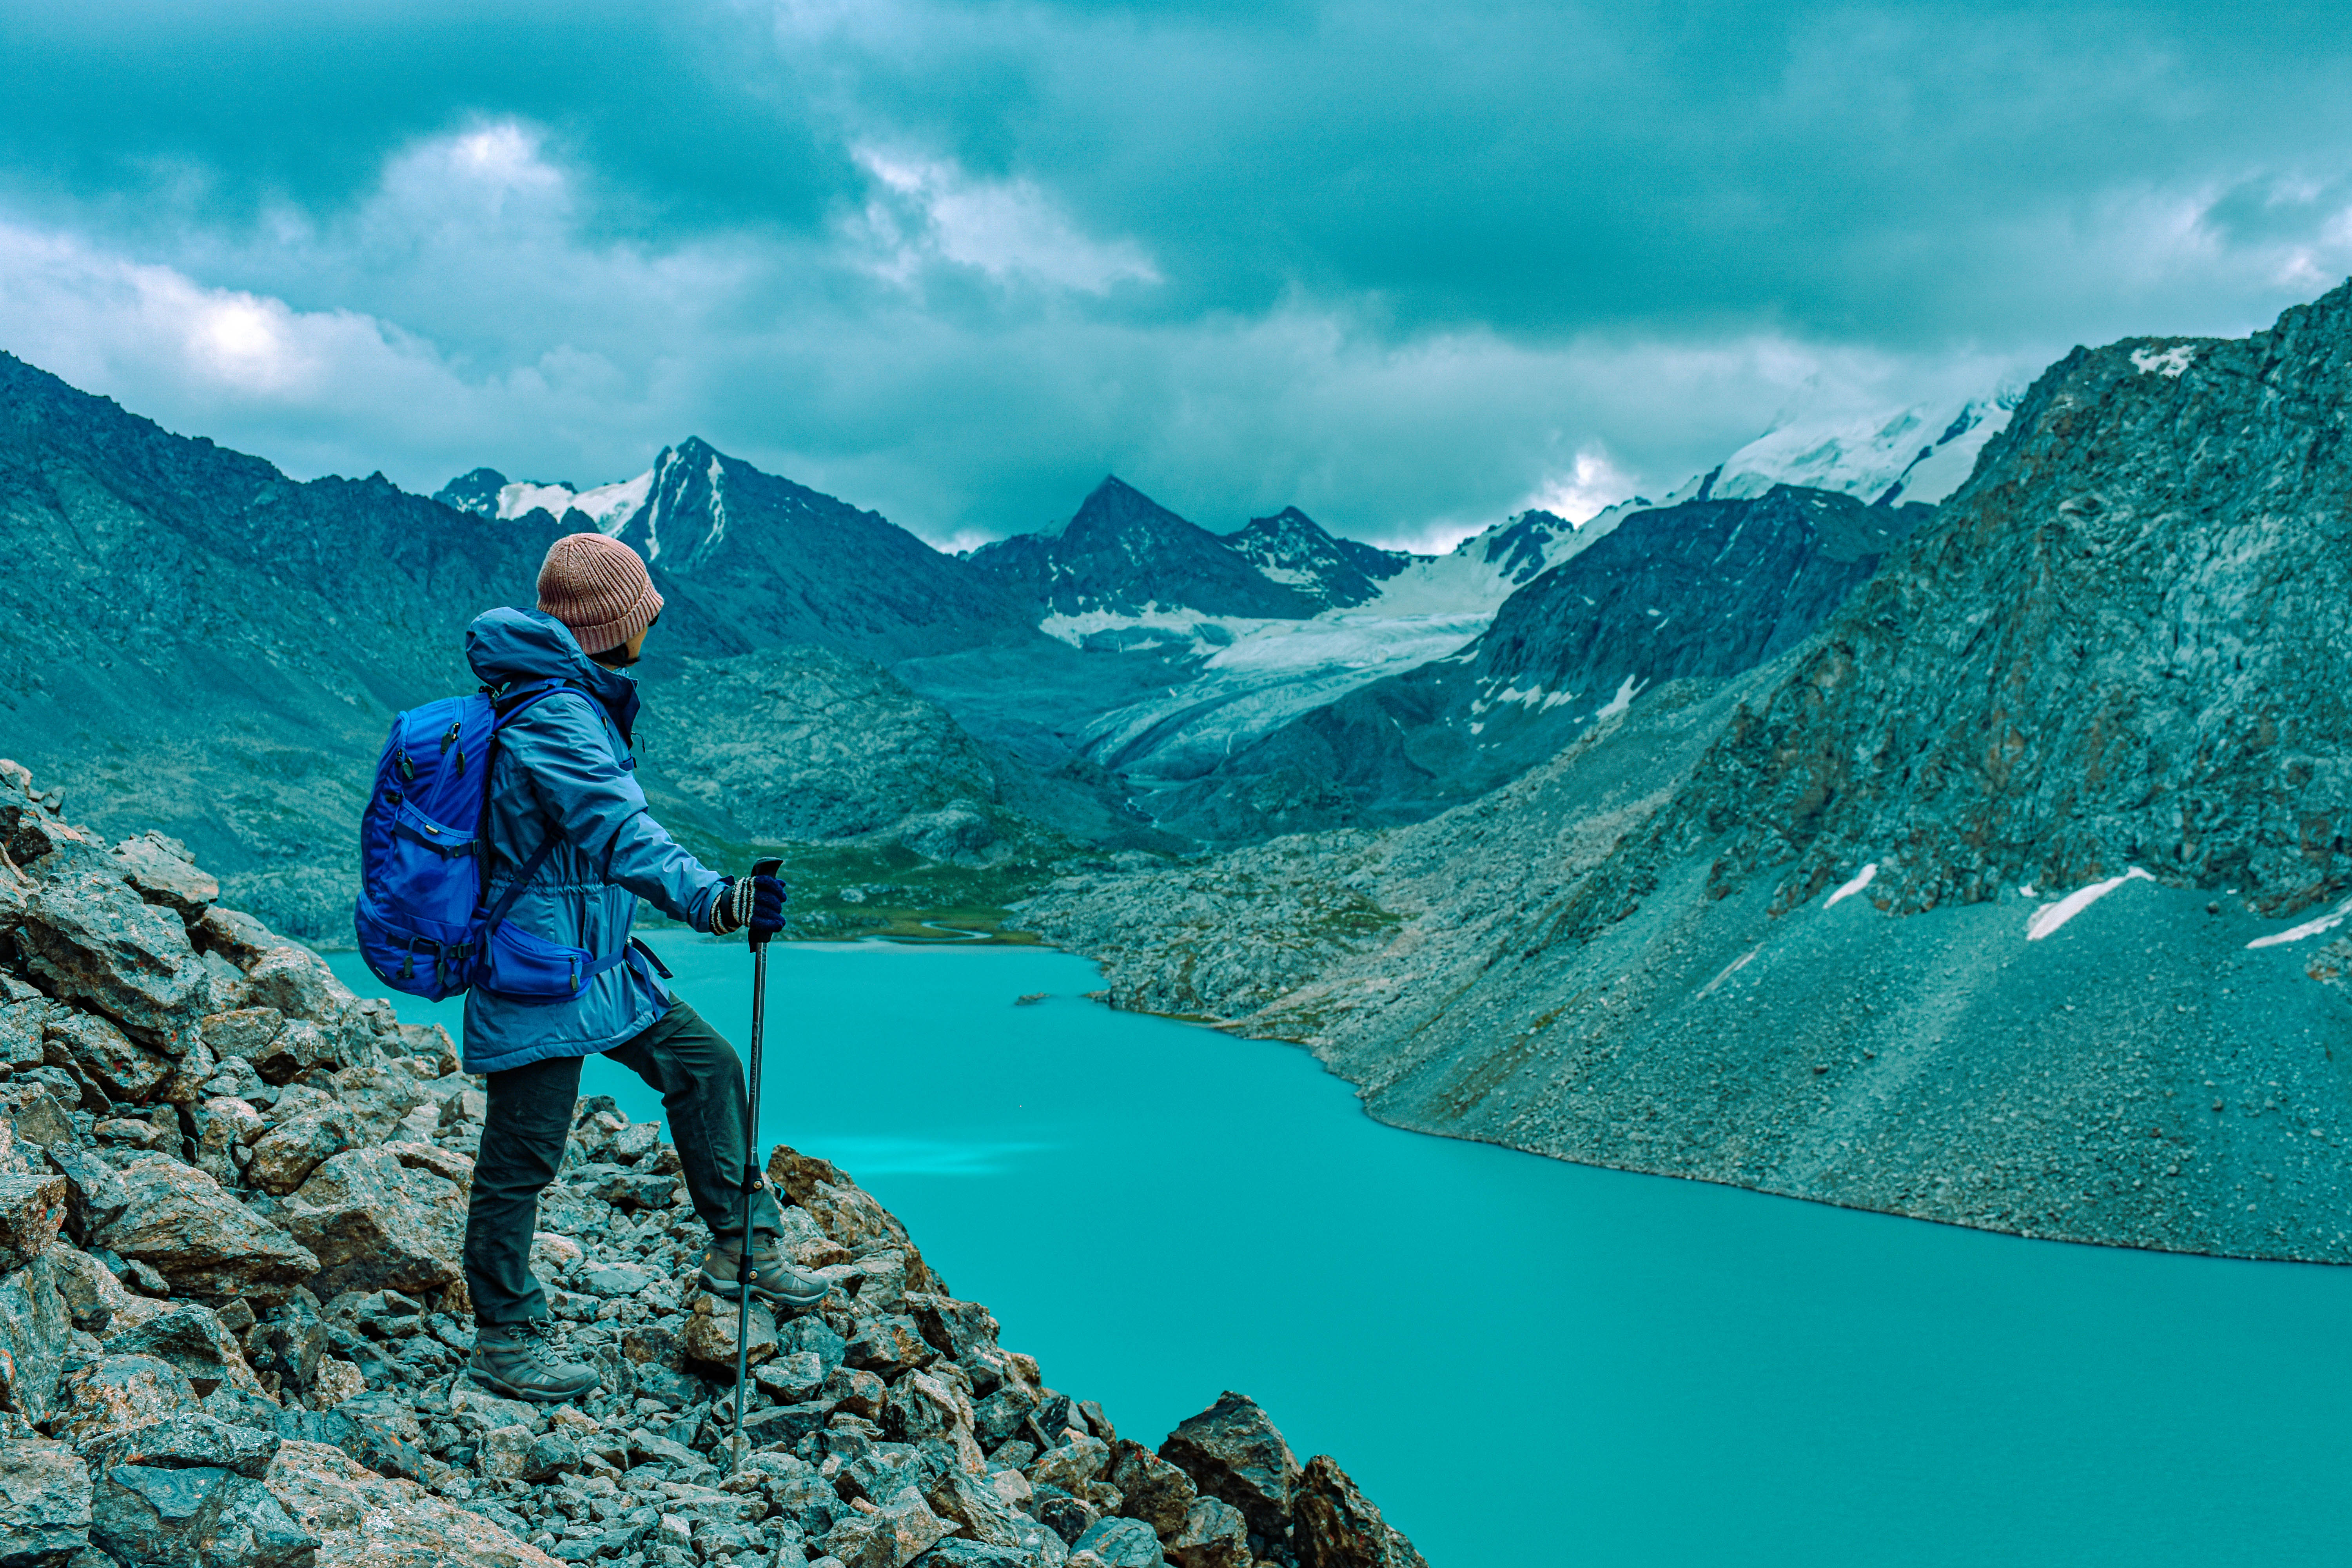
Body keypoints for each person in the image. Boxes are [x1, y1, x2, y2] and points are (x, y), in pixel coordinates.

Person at [458, 532, 823, 1404]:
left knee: (706, 1067)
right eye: (644, 612)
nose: (652, 625)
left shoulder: (569, 697)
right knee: (523, 1156)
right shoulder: (554, 714)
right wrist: (716, 900)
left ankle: (744, 1243)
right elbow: (620, 834)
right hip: (538, 968)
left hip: (594, 958)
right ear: (611, 625)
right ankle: (504, 1338)